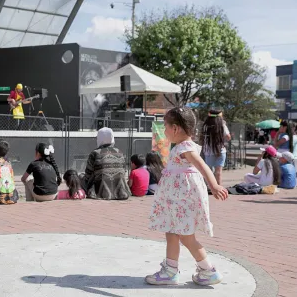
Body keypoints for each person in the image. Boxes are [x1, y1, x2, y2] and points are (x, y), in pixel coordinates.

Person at [146, 107, 228, 286]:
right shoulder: (182, 147)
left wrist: (214, 185)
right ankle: (172, 270)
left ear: (175, 128)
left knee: (184, 235)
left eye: (166, 126)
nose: (165, 130)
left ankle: (206, 270)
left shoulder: (185, 147)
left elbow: (203, 166)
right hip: (178, 199)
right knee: (174, 233)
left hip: (182, 199)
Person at [81, 127, 130, 200]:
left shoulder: (95, 153)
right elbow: (124, 170)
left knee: (80, 176)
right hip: (121, 191)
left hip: (99, 190)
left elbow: (88, 173)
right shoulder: (119, 152)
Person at [200, 110, 231, 185]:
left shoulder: (206, 126)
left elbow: (201, 138)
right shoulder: (222, 125)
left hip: (208, 151)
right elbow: (228, 137)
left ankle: (210, 187)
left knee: (209, 172)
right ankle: (219, 189)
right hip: (220, 150)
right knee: (218, 172)